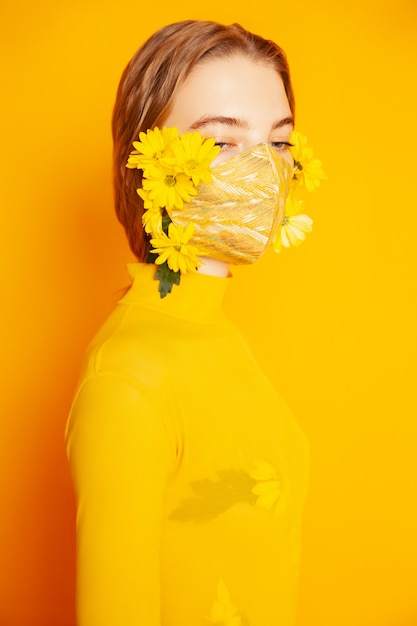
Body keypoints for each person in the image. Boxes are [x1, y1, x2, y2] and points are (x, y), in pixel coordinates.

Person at [65, 19, 318, 626]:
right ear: (147, 160)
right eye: (222, 141)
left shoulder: (217, 334)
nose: (265, 171)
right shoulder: (129, 378)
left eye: (279, 143)